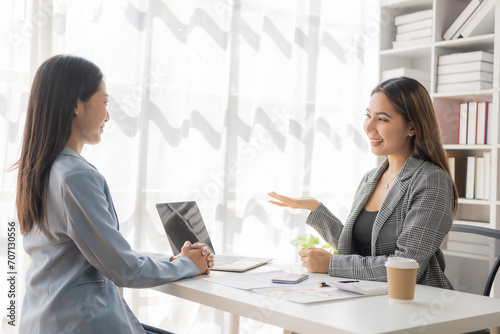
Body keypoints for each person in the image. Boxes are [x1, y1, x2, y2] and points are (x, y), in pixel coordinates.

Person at [14, 54, 214, 333]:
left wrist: (174, 261)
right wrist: (188, 266)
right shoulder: (75, 176)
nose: (108, 116)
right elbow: (124, 269)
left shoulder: (40, 170)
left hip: (46, 320)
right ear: (75, 104)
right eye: (104, 102)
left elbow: (107, 255)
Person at [269, 77, 457, 289]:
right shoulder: (371, 178)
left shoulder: (431, 181)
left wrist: (332, 264)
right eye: (368, 115)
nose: (368, 127)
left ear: (412, 128)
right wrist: (315, 208)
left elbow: (408, 266)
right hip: (369, 296)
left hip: (416, 302)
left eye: (382, 119)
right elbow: (354, 249)